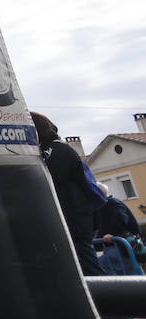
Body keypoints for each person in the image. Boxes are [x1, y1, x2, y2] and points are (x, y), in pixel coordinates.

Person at [30, 111, 105, 277]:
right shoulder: (53, 149)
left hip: (72, 220)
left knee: (89, 269)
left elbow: (51, 179)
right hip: (71, 219)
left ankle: (110, 302)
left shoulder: (57, 150)